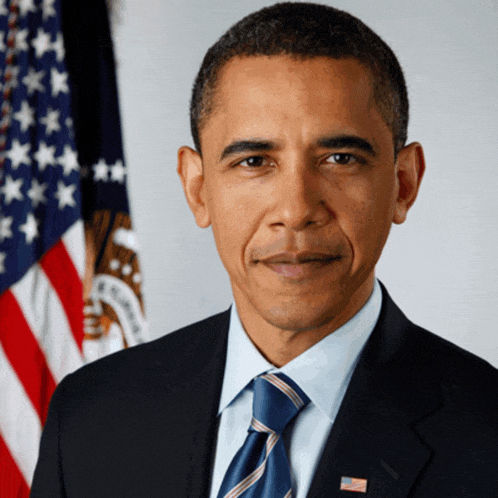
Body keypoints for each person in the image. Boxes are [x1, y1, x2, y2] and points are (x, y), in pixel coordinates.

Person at [31, 3, 498, 497]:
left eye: (340, 159)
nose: (296, 209)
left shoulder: (486, 437)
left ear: (403, 184)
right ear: (197, 189)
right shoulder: (89, 418)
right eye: (254, 160)